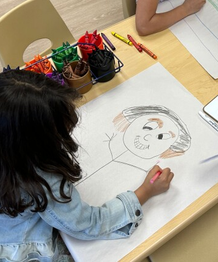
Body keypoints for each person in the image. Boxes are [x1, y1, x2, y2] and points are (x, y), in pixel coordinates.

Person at [0, 69, 174, 261]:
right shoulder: (41, 179)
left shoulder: (8, 152)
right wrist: (145, 192)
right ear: (36, 141)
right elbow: (88, 224)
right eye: (60, 130)